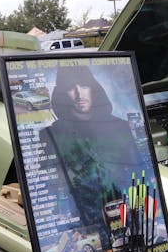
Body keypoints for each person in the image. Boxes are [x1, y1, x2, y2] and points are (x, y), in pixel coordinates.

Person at [39, 65, 144, 237]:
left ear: (94, 89)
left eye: (84, 86)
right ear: (62, 93)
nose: (79, 94)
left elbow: (139, 174)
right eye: (71, 88)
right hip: (79, 223)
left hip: (126, 215)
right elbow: (49, 186)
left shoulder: (120, 127)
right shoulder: (49, 135)